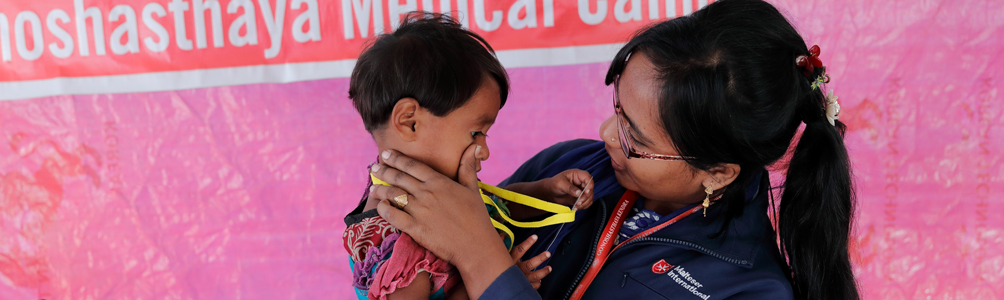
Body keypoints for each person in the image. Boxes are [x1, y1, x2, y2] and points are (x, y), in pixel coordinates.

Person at [365, 0, 860, 299]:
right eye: (618, 109)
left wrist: (481, 257)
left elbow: (470, 246)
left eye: (634, 138)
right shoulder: (572, 164)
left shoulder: (745, 290)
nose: (604, 134)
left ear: (719, 173)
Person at [342, 13, 595, 300]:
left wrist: (545, 192)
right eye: (476, 132)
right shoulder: (397, 234)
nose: (483, 150)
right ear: (409, 121)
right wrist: (502, 279)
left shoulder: (427, 194)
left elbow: (484, 208)